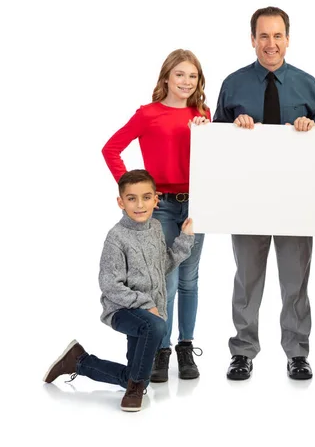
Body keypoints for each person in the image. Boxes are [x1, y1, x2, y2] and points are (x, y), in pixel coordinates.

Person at [214, 6, 315, 380]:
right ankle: (243, 351)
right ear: (252, 39)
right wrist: (235, 128)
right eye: (263, 36)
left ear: (288, 39)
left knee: (295, 281)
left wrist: (311, 126)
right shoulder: (233, 84)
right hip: (247, 201)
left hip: (296, 202)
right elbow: (213, 140)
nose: (271, 43)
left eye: (277, 35)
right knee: (247, 279)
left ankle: (297, 353)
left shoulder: (308, 84)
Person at [43, 170, 195, 412]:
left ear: (156, 200)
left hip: (149, 312)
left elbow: (162, 266)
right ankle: (134, 390)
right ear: (120, 202)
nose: (139, 204)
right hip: (122, 309)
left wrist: (184, 239)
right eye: (132, 198)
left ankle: (79, 361)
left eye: (146, 197)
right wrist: (146, 304)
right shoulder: (116, 237)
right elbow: (110, 284)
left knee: (139, 376)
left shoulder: (155, 228)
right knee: (156, 327)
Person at [102, 49, 210, 382]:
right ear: (166, 77)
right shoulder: (148, 114)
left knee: (190, 279)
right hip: (161, 207)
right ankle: (161, 349)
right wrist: (135, 190)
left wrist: (208, 132)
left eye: (192, 76)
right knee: (167, 279)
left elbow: (219, 159)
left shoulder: (203, 113)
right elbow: (111, 148)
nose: (186, 82)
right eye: (180, 74)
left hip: (199, 203)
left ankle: (185, 346)